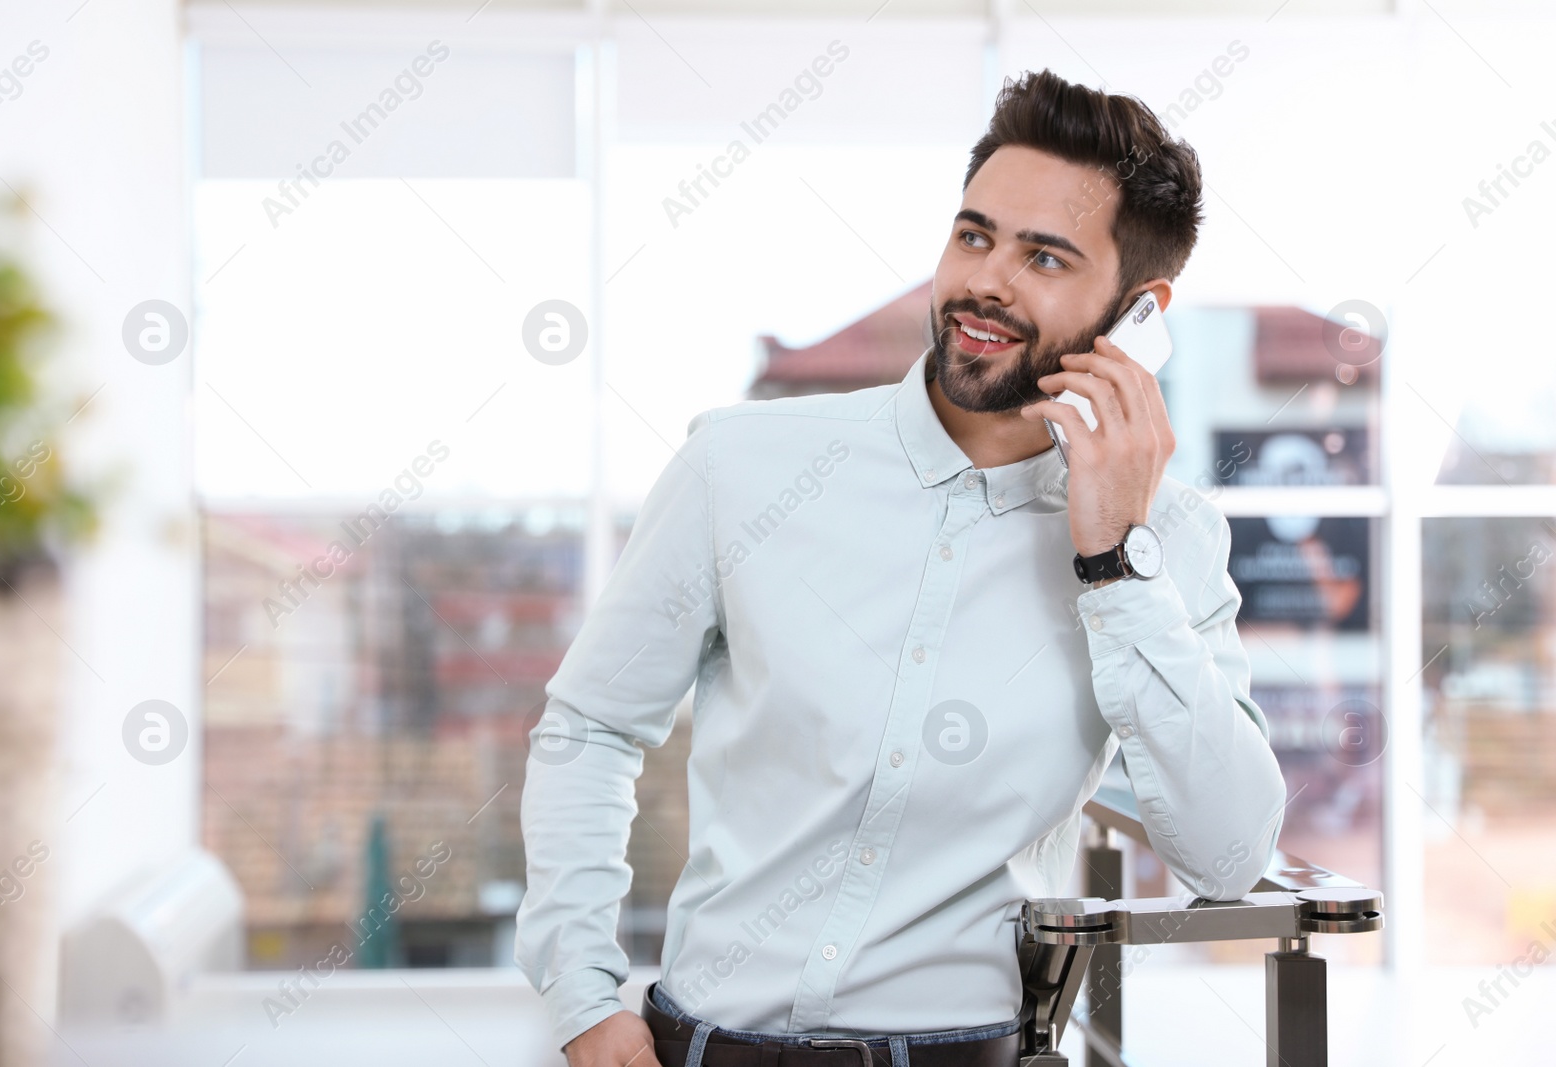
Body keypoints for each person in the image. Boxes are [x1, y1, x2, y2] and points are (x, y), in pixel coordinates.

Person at [515, 67, 1288, 1067]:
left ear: (1136, 311)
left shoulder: (1165, 538)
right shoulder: (740, 465)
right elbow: (591, 725)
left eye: (1044, 256)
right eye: (974, 235)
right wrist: (582, 995)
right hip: (703, 1043)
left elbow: (1228, 853)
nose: (985, 283)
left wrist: (1113, 565)